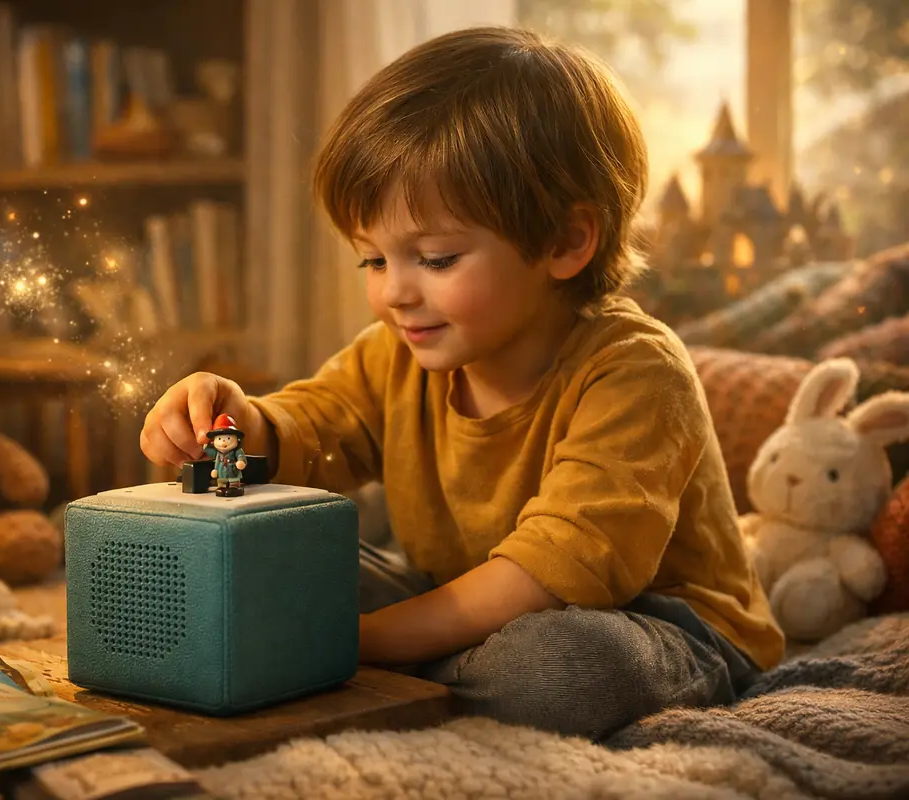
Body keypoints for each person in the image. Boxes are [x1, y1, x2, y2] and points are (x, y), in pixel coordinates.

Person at [140, 26, 784, 740]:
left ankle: (402, 664)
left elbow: (556, 574)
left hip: (653, 623)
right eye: (373, 261)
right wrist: (233, 423)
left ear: (566, 242)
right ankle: (432, 663)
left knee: (552, 669)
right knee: (256, 556)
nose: (393, 294)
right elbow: (313, 433)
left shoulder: (636, 370)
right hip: (455, 601)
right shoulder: (396, 353)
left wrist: (362, 641)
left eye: (436, 258)